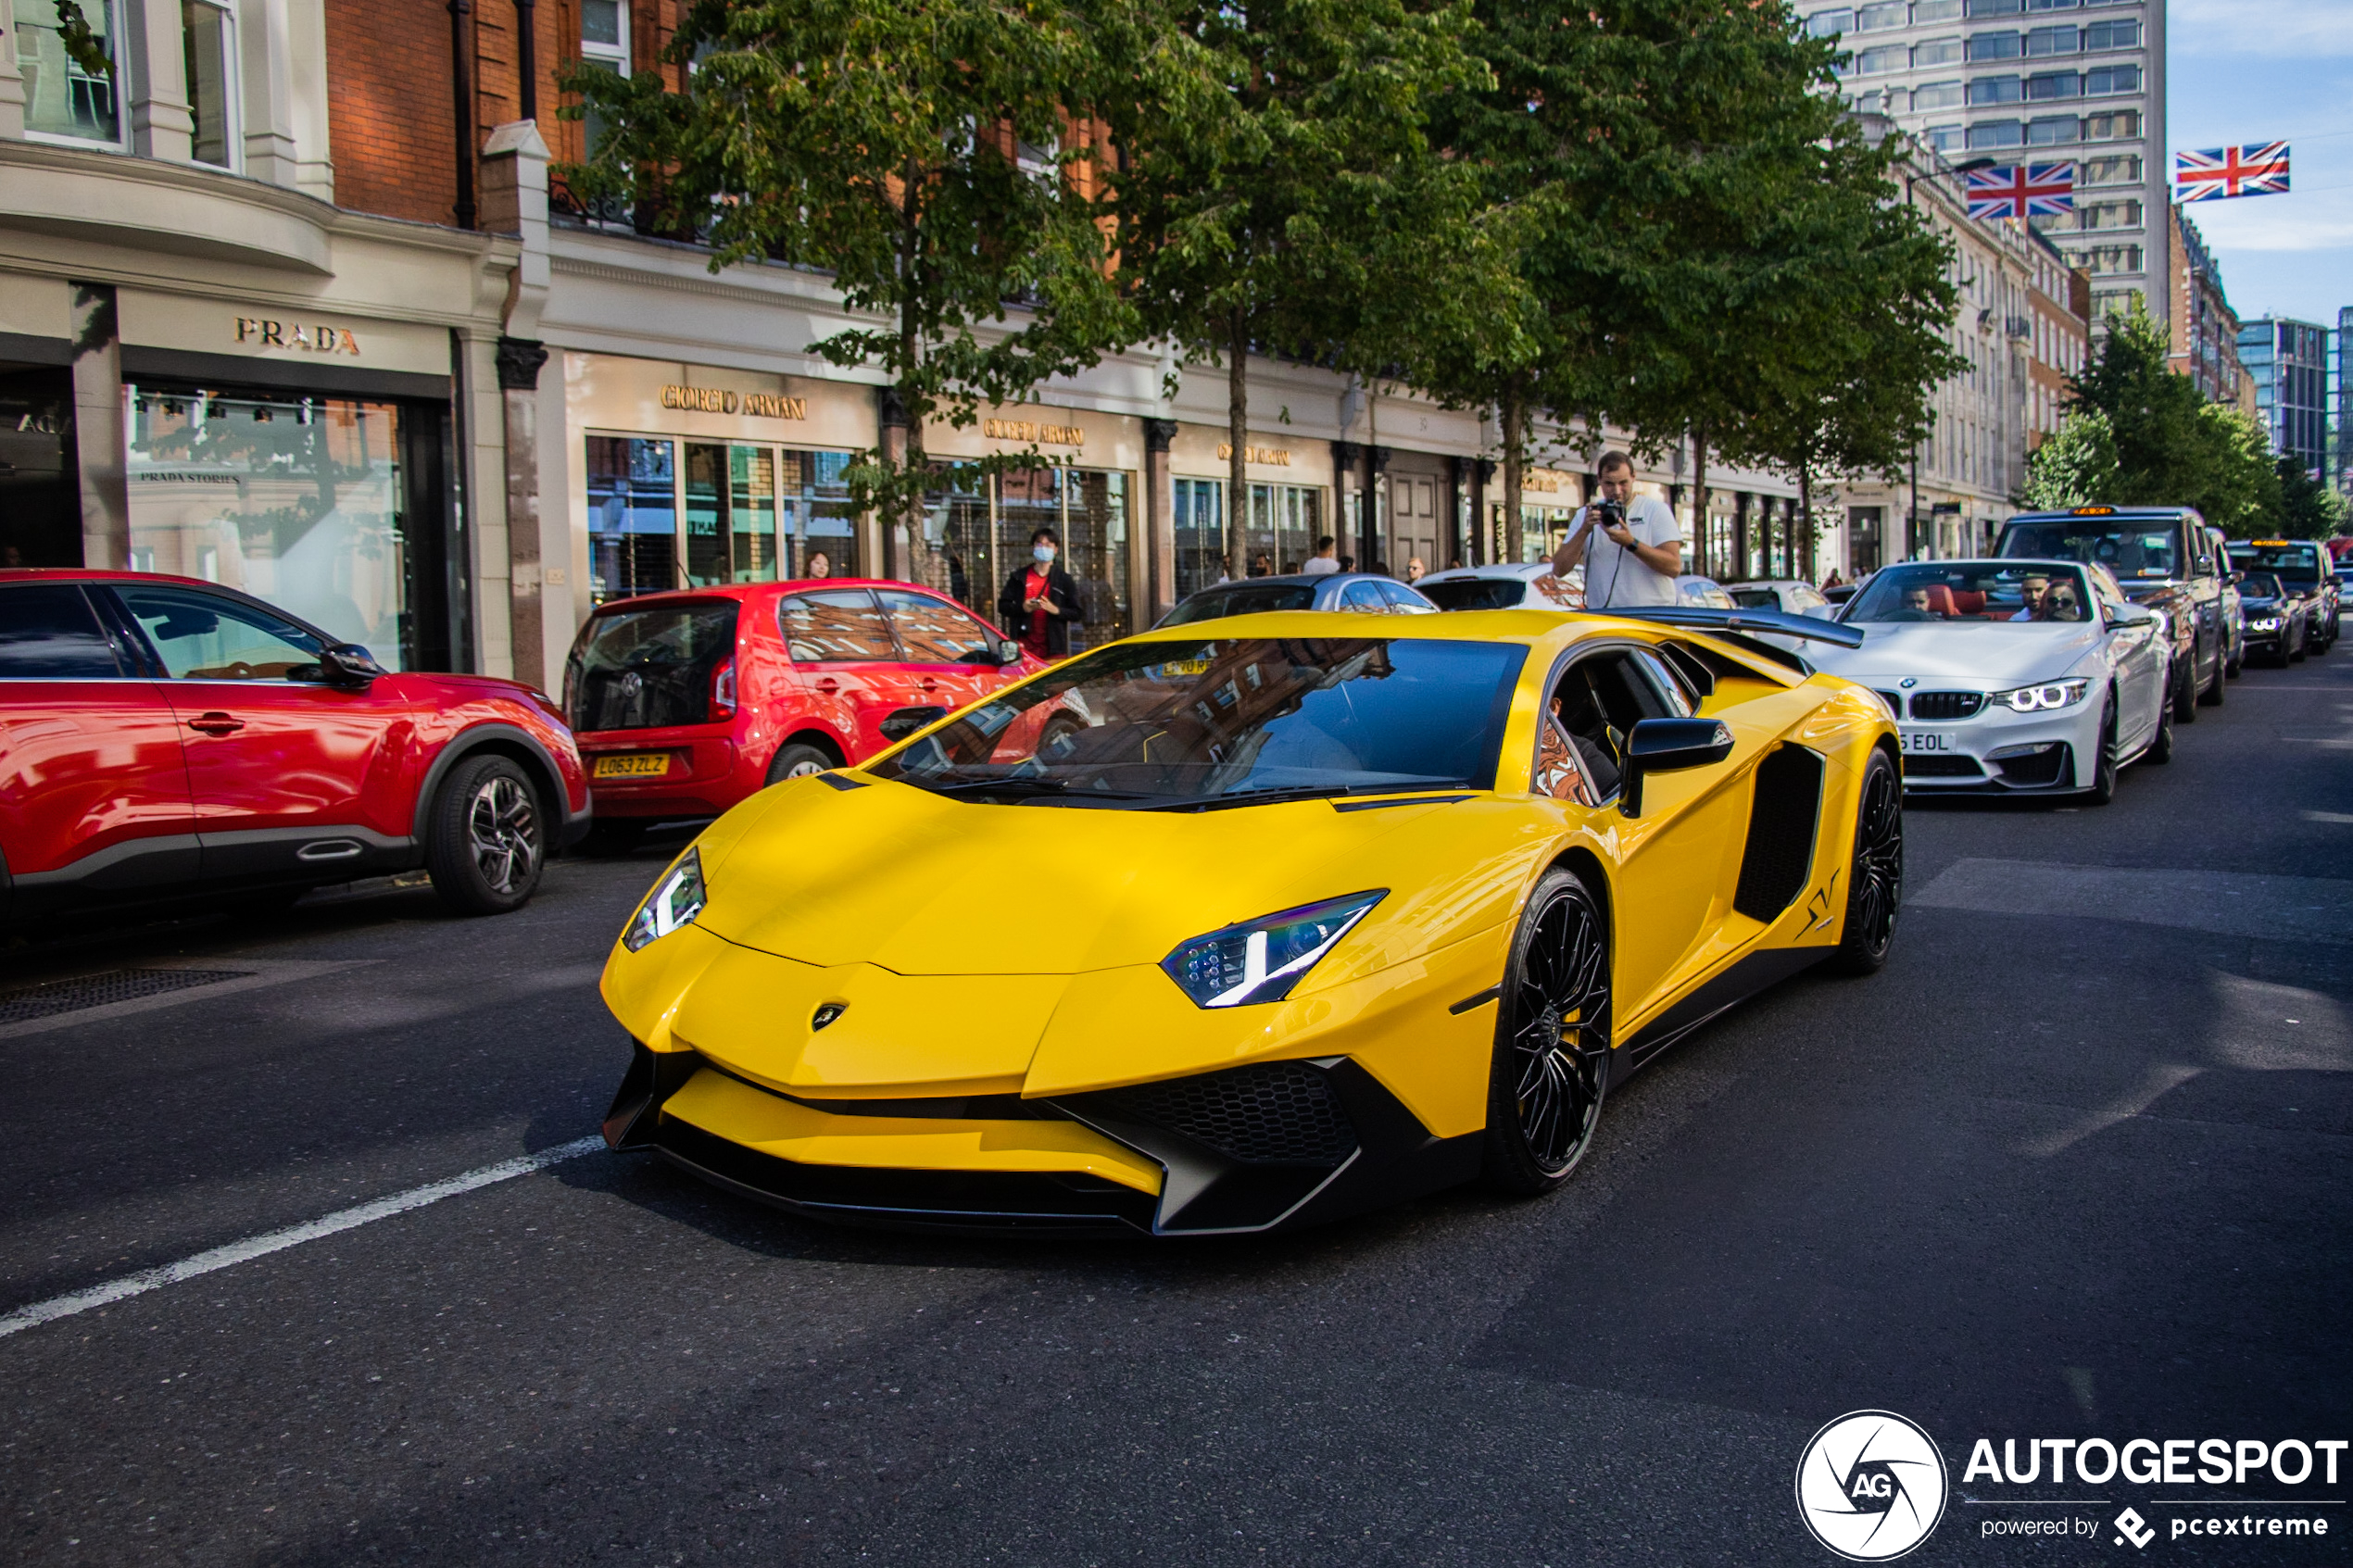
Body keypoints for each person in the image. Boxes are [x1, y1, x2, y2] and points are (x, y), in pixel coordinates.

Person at [1547, 452, 1682, 609]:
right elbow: (1559, 569)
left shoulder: (1655, 511)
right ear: (1599, 480)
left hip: (1651, 616)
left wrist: (1631, 543)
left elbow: (1673, 568)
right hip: (1606, 618)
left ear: (1633, 477)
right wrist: (1584, 530)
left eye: (1623, 483)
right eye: (1609, 484)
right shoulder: (1586, 515)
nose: (1617, 491)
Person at [998, 526, 1082, 660]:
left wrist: (1055, 610)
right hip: (1023, 648)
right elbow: (1003, 606)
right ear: (1032, 548)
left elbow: (1077, 612)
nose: (1043, 548)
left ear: (1055, 550)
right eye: (1039, 544)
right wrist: (1023, 608)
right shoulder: (1018, 577)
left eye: (1048, 545)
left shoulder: (1063, 579)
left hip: (1054, 648)